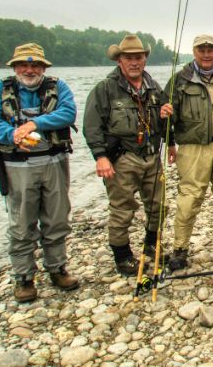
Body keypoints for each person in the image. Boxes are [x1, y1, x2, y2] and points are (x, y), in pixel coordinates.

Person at [0, 43, 80, 302]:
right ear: (14, 67)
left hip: (54, 160)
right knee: (21, 222)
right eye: (24, 64)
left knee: (57, 217)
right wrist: (12, 135)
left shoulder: (58, 87)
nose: (30, 69)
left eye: (36, 65)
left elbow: (68, 113)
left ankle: (57, 268)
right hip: (15, 164)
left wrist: (35, 123)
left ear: (44, 67)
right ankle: (24, 277)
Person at [83, 35, 169, 275]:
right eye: (128, 58)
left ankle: (152, 246)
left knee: (158, 206)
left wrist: (164, 115)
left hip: (152, 156)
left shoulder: (153, 87)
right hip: (121, 158)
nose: (134, 62)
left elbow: (163, 126)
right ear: (119, 60)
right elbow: (91, 126)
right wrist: (100, 156)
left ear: (145, 59)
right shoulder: (105, 89)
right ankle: (122, 256)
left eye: (138, 57)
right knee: (122, 209)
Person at [160, 34, 213, 269]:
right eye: (202, 50)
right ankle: (180, 248)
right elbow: (165, 115)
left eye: (210, 49)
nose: (206, 54)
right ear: (194, 52)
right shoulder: (180, 80)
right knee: (189, 198)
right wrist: (169, 142)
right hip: (192, 148)